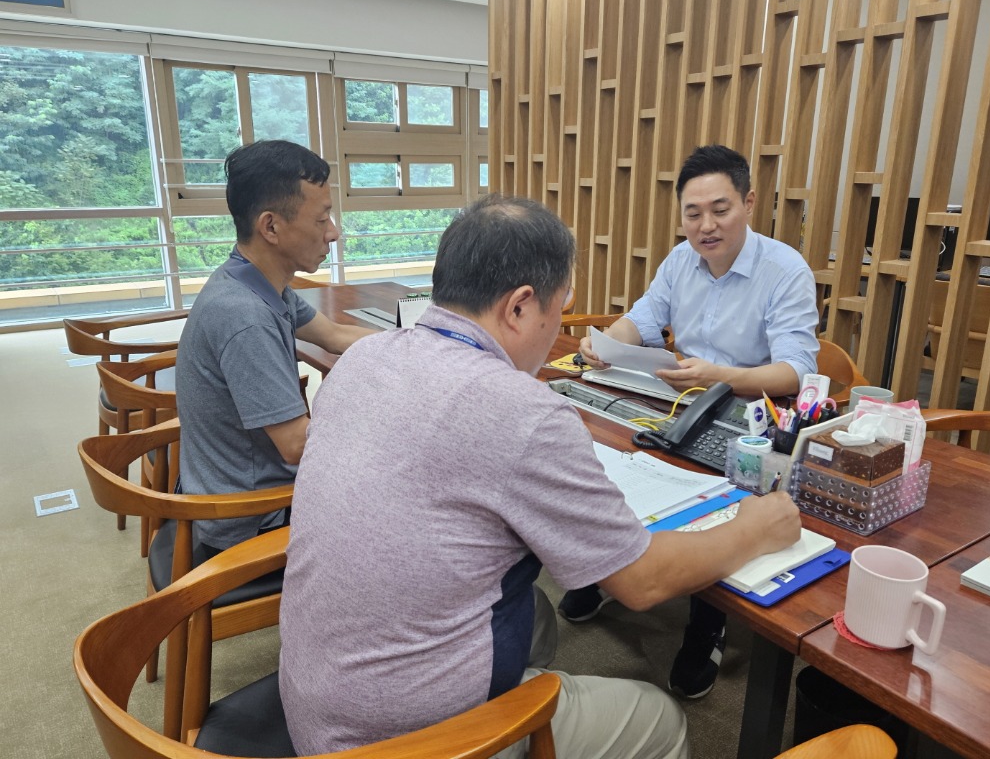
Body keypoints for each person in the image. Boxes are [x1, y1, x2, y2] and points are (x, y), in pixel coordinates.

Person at [278, 193, 801, 758]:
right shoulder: (521, 410)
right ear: (521, 306)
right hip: (401, 741)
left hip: (316, 692)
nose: (556, 327)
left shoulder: (365, 357)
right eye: (559, 307)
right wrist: (755, 528)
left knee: (540, 623)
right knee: (660, 719)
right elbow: (642, 583)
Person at [559, 144, 820, 700]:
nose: (705, 225)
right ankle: (611, 567)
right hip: (677, 397)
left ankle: (707, 621)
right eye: (692, 213)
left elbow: (796, 371)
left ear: (749, 203)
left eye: (720, 209)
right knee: (605, 458)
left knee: (717, 498)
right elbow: (644, 318)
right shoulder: (680, 261)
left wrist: (719, 373)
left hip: (747, 415)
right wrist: (607, 345)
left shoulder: (784, 269)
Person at [176, 139, 373, 556]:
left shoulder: (256, 280)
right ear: (271, 227)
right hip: (252, 521)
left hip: (246, 491)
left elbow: (335, 336)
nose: (334, 232)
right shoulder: (244, 315)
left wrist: (426, 343)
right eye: (322, 219)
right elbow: (298, 443)